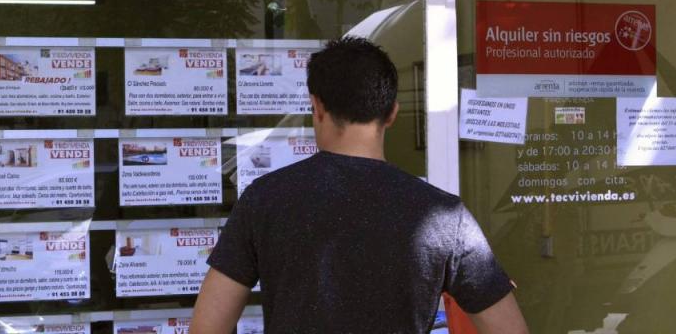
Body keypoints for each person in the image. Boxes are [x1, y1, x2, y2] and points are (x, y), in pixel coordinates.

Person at [191, 37, 528, 333]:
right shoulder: (443, 215)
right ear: (392, 113)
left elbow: (208, 327)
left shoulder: (264, 200)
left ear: (317, 107)